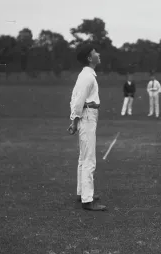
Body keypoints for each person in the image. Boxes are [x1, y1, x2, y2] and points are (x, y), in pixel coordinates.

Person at [67, 44, 107, 211]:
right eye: (95, 52)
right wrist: (74, 121)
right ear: (90, 58)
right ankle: (87, 200)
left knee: (84, 158)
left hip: (87, 115)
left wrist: (75, 120)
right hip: (87, 116)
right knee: (89, 159)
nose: (98, 53)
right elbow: (77, 101)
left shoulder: (86, 75)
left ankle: (82, 193)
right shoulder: (87, 77)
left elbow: (75, 98)